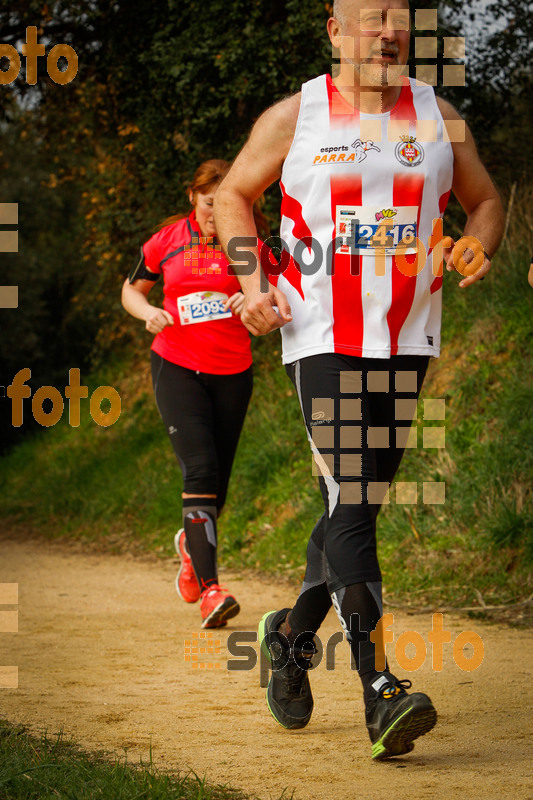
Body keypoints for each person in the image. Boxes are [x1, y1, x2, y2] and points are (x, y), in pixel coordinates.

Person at [214, 0, 504, 758]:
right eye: (370, 16)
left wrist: (478, 245)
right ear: (334, 32)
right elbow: (232, 196)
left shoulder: (439, 114)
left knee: (358, 504)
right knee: (350, 497)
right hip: (320, 334)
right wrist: (250, 285)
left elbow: (485, 200)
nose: (388, 30)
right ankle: (380, 690)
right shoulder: (295, 116)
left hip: (408, 337)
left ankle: (289, 637)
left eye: (398, 17)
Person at [121, 159, 267, 629]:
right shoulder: (166, 241)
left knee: (216, 482)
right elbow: (132, 289)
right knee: (200, 468)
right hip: (177, 365)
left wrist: (251, 298)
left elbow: (271, 295)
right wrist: (146, 311)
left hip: (233, 371)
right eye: (208, 204)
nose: (213, 213)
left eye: (221, 204)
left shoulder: (247, 241)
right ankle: (211, 591)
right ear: (193, 197)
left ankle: (190, 545)